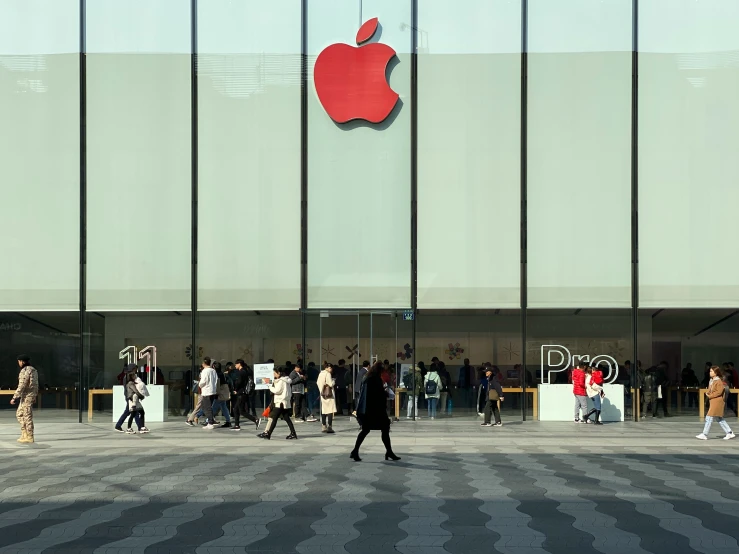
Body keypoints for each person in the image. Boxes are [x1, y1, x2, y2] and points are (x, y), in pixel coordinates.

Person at [351, 362, 401, 462]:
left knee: (366, 430)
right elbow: (377, 394)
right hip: (375, 411)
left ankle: (355, 451)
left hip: (367, 410)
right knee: (383, 429)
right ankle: (388, 452)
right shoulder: (375, 379)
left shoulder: (367, 377)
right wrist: (385, 393)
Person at [697, 365, 735, 440]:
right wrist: (708, 393)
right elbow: (710, 389)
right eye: (710, 371)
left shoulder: (718, 381)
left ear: (716, 372)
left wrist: (710, 395)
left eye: (711, 371)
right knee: (719, 418)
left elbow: (719, 392)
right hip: (713, 401)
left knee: (709, 417)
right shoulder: (712, 380)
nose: (710, 372)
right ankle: (729, 432)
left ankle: (705, 434)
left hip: (717, 401)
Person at [259, 366, 298, 440]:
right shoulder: (286, 380)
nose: (273, 374)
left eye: (274, 373)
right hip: (284, 402)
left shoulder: (281, 381)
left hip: (280, 402)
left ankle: (268, 433)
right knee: (286, 418)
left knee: (274, 418)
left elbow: (277, 390)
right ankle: (293, 433)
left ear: (279, 373)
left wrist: (269, 386)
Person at [11, 354, 38, 444]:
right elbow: (35, 385)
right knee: (20, 414)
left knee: (27, 416)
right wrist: (34, 396)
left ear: (22, 361)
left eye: (19, 361)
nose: (18, 363)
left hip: (27, 396)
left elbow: (22, 385)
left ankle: (29, 436)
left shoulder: (25, 370)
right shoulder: (33, 370)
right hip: (29, 395)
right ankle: (24, 433)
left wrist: (15, 397)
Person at [230, 359, 260, 431]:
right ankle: (237, 425)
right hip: (243, 393)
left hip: (241, 393)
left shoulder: (242, 372)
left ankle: (255, 420)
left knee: (241, 411)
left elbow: (239, 382)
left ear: (239, 364)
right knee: (236, 409)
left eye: (236, 364)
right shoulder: (245, 371)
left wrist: (235, 390)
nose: (235, 365)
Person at [115, 363, 138, 433]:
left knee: (129, 411)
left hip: (129, 396)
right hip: (130, 396)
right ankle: (140, 427)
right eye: (135, 368)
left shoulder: (128, 376)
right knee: (133, 411)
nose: (136, 370)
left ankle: (118, 425)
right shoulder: (128, 376)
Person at [211, 362, 233, 428]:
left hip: (220, 393)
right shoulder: (221, 373)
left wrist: (216, 393)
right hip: (222, 392)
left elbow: (217, 385)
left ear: (214, 367)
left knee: (214, 407)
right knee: (223, 407)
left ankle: (209, 420)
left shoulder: (217, 374)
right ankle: (228, 421)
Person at [198, 357, 218, 430]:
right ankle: (211, 420)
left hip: (206, 391)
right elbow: (216, 380)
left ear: (204, 363)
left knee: (206, 407)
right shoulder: (213, 371)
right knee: (207, 407)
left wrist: (199, 385)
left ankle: (210, 422)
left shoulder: (205, 371)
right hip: (212, 390)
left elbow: (203, 381)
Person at [317, 362, 337, 433]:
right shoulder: (328, 374)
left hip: (323, 394)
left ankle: (323, 426)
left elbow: (318, 383)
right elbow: (330, 384)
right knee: (330, 410)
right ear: (328, 368)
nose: (331, 369)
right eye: (330, 368)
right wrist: (333, 381)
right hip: (329, 394)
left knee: (324, 410)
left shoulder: (320, 374)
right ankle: (330, 426)